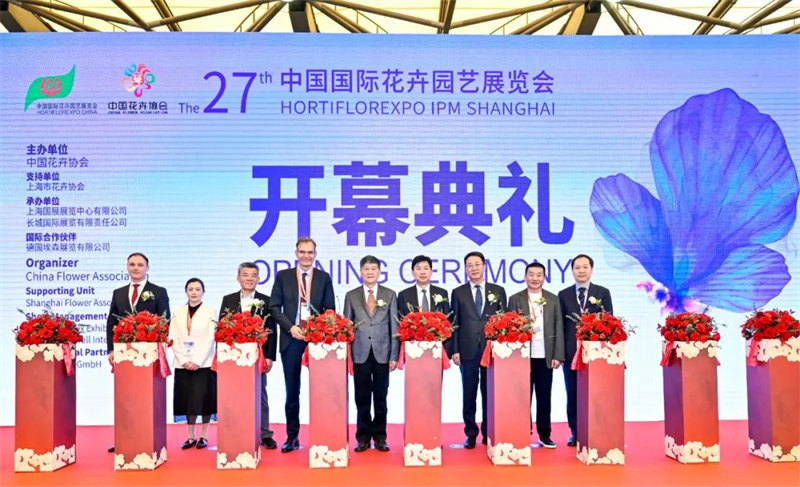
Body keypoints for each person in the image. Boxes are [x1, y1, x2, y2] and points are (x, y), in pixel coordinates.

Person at [269, 237, 335, 453]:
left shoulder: (324, 278)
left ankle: (323, 436)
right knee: (292, 392)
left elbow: (330, 310)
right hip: (291, 340)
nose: (306, 256)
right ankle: (292, 437)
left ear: (315, 254)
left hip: (317, 342)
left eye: (310, 252)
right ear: (296, 253)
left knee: (322, 392)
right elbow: (274, 307)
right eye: (302, 252)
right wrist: (291, 328)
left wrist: (315, 330)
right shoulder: (284, 276)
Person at [106, 252, 170, 453]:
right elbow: (111, 322)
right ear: (127, 267)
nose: (135, 268)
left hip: (148, 356)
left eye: (140, 265)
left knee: (146, 399)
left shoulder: (158, 291)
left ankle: (148, 439)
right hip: (124, 356)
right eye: (132, 264)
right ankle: (124, 439)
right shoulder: (118, 293)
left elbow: (165, 321)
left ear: (147, 268)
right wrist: (111, 349)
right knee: (126, 398)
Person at [449, 251, 506, 449]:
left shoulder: (498, 290)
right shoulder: (458, 292)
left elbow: (504, 322)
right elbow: (454, 323)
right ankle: (470, 433)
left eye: (477, 264)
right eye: (469, 265)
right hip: (467, 350)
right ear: (465, 269)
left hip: (491, 350)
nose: (473, 268)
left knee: (490, 393)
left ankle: (489, 431)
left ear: (484, 266)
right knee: (469, 393)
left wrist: (502, 348)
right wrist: (455, 350)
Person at [342, 255, 399, 452]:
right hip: (360, 353)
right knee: (362, 398)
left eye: (374, 269)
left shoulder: (390, 294)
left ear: (379, 272)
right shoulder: (351, 295)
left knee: (381, 398)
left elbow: (394, 327)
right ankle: (363, 437)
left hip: (383, 352)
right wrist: (347, 356)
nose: (370, 272)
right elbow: (347, 328)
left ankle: (380, 437)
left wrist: (394, 356)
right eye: (366, 269)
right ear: (360, 272)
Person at [219, 262, 277, 449]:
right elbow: (221, 328)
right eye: (245, 275)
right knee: (234, 395)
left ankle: (265, 433)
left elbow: (272, 330)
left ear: (258, 279)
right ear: (238, 278)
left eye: (253, 275)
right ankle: (236, 431)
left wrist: (270, 356)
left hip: (258, 356)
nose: (249, 279)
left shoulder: (266, 300)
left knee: (260, 395)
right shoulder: (228, 299)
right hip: (233, 357)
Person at [558, 254, 613, 447]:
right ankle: (575, 431)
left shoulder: (603, 292)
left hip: (596, 353)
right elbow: (560, 326)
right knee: (573, 394)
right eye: (577, 267)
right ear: (572, 271)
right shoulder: (563, 294)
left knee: (597, 393)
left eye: (585, 267)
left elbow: (609, 321)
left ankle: (598, 429)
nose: (581, 271)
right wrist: (560, 353)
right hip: (571, 353)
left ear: (591, 269)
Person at [507, 262, 564, 448]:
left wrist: (558, 355)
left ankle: (545, 434)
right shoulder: (515, 299)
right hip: (522, 356)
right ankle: (522, 432)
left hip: (545, 356)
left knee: (544, 397)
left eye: (539, 275)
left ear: (544, 277)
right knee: (522, 397)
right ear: (525, 277)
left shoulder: (553, 299)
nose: (534, 278)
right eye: (531, 274)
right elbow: (508, 327)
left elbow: (559, 327)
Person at [170, 278, 217, 449]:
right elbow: (173, 337)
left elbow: (211, 338)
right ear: (186, 291)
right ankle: (190, 437)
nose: (194, 292)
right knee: (187, 400)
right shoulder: (178, 311)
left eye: (198, 289)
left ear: (203, 291)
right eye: (191, 289)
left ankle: (203, 436)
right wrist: (184, 360)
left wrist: (197, 361)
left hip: (203, 363)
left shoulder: (210, 311)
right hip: (182, 363)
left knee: (205, 400)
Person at [397, 255, 452, 353]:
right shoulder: (404, 295)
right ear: (412, 272)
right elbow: (400, 324)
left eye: (426, 268)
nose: (422, 272)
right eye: (418, 269)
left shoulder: (442, 293)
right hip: (412, 348)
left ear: (431, 272)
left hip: (437, 347)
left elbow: (447, 322)